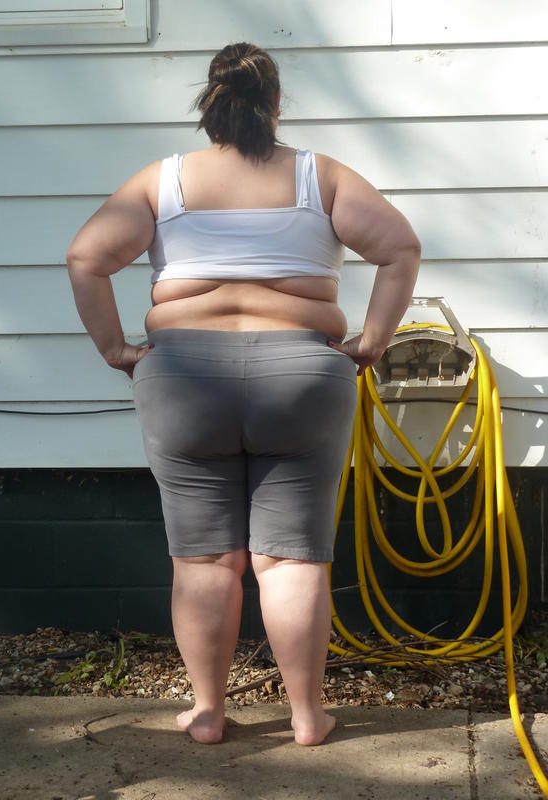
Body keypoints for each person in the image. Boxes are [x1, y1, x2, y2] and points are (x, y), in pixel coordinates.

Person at [67, 42, 420, 747]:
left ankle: (207, 713)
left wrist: (115, 351)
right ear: (276, 104)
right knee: (290, 560)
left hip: (183, 378)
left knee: (203, 560)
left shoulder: (164, 182)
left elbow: (86, 257)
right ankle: (307, 716)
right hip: (302, 373)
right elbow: (399, 248)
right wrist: (372, 342)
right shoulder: (320, 177)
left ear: (210, 105)